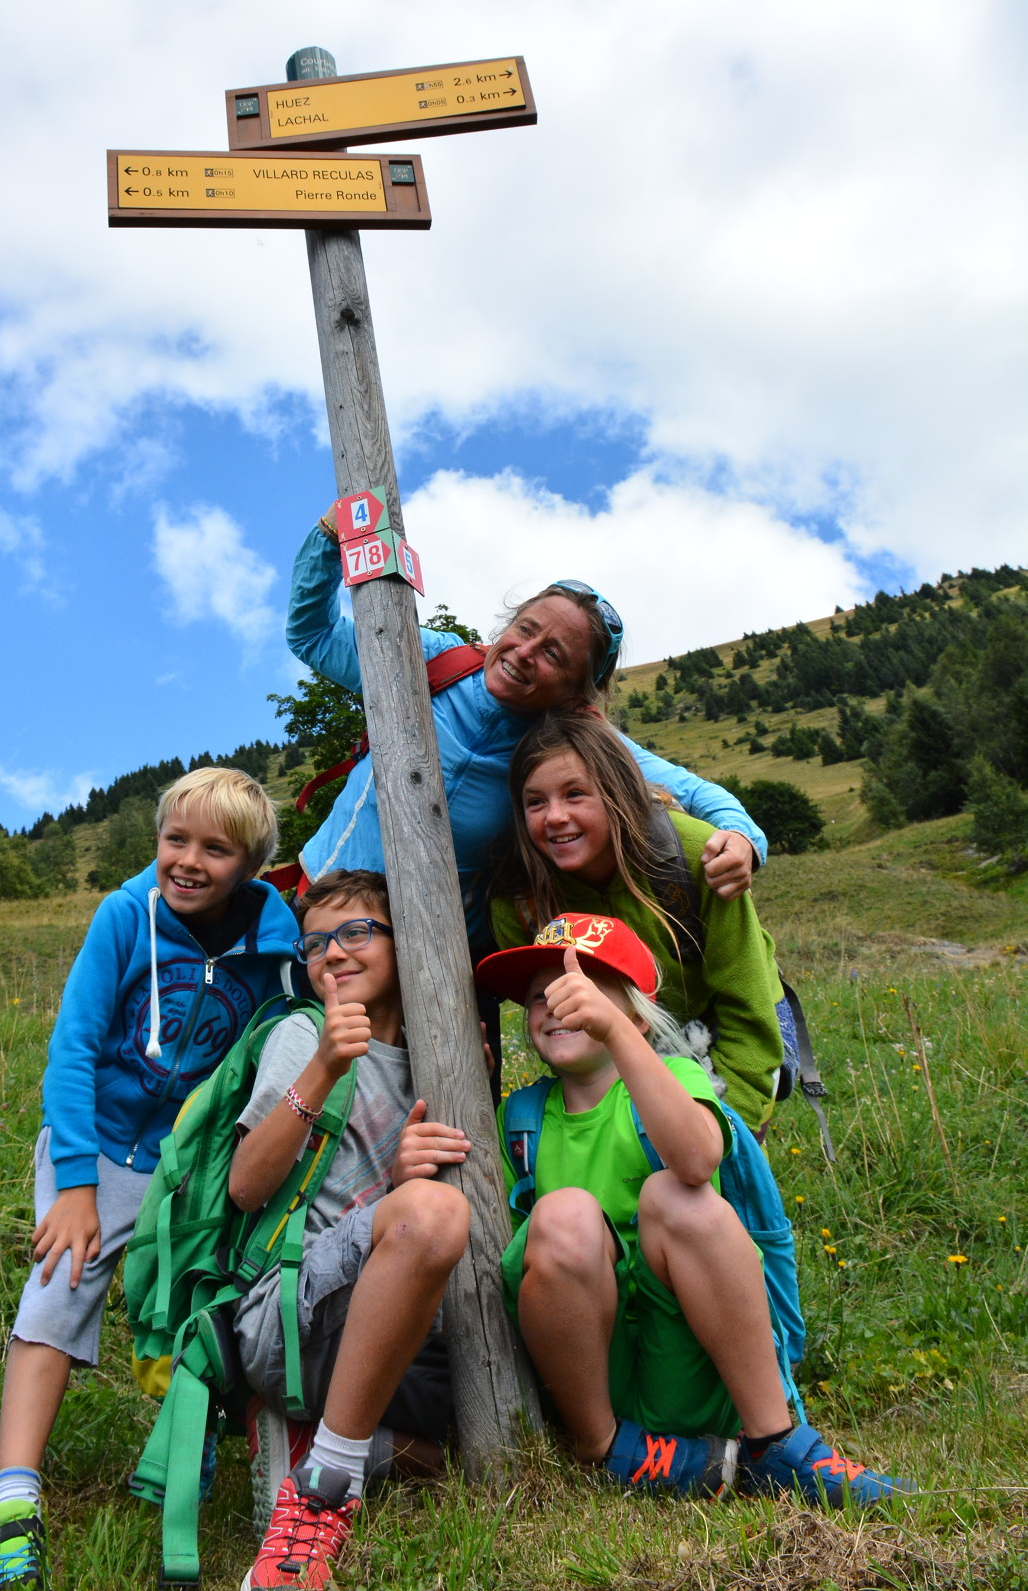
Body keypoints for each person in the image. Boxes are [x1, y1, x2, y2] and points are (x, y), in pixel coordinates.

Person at [0, 768, 301, 1591]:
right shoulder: (127, 915)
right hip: (97, 1144)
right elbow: (74, 1048)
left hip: (187, 1162)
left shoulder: (277, 946)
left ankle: (182, 1468)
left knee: (195, 1308)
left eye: (215, 849)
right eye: (175, 840)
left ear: (251, 865)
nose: (188, 861)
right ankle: (13, 1507)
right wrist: (77, 1184)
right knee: (60, 1280)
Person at [474, 912, 911, 1505]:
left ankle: (773, 1442)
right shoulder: (518, 1120)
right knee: (563, 1215)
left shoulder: (676, 1076)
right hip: (587, 1373)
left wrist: (618, 1038)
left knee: (678, 1193)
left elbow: (698, 1158)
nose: (557, 1004)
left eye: (584, 988)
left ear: (634, 1011)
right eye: (538, 995)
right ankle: (604, 1449)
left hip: (690, 1357)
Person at [285, 512, 766, 959]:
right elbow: (313, 635)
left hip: (429, 968)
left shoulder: (573, 745)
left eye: (554, 654)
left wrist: (743, 841)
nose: (524, 652)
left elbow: (699, 795)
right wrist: (330, 534)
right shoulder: (436, 662)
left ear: (578, 692)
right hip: (318, 917)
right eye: (524, 629)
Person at [230, 869, 471, 1591]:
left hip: (384, 1327)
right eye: (314, 944)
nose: (332, 954)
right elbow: (246, 1185)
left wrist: (400, 1190)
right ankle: (321, 1491)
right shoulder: (304, 1033)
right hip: (286, 1314)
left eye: (356, 933)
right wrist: (326, 1066)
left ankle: (307, 1439)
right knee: (431, 1213)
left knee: (481, 1429)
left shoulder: (443, 1057)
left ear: (406, 942)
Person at [490, 712, 784, 1128]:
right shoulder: (520, 902)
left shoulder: (696, 854)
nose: (554, 816)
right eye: (535, 801)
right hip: (614, 1056)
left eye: (575, 794)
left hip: (725, 1035)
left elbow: (747, 1006)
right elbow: (557, 1023)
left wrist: (729, 1126)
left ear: (618, 793)